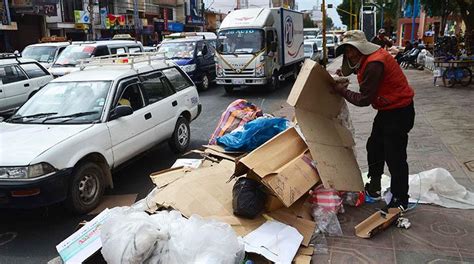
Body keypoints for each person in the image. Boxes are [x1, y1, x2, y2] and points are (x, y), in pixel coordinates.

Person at [332, 30, 415, 211]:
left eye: (350, 49)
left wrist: (341, 91)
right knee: (375, 147)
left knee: (395, 157)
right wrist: (344, 73)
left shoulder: (375, 63)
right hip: (387, 110)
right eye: (346, 50)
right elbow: (354, 68)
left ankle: (400, 199)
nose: (348, 54)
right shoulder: (367, 59)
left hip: (399, 111)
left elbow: (364, 100)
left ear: (359, 49)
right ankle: (375, 186)